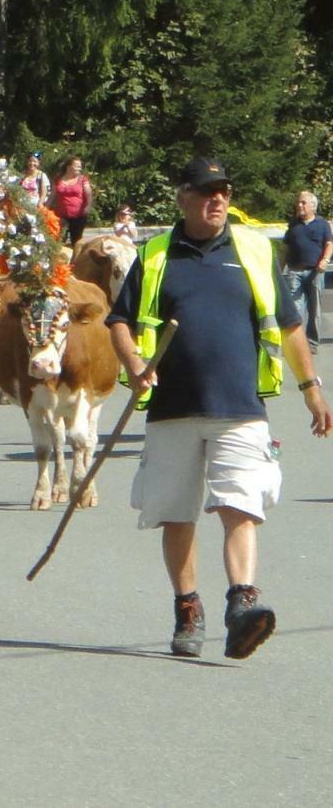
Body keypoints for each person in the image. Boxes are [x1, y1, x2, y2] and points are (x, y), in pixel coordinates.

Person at [107, 156, 332, 661]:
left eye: (224, 191)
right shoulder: (156, 254)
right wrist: (136, 361)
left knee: (241, 505)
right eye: (207, 192)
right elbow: (119, 320)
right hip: (172, 407)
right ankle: (188, 609)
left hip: (239, 406)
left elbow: (290, 324)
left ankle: (241, 604)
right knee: (176, 513)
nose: (218, 200)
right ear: (183, 197)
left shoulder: (253, 249)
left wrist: (311, 387)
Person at [281, 190, 332, 354]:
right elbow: (285, 248)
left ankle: (312, 343)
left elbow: (329, 244)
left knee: (314, 309)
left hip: (315, 272)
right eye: (299, 202)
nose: (299, 205)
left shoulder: (322, 224)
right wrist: (279, 270)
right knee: (295, 309)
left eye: (303, 202)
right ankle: (297, 343)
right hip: (294, 272)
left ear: (313, 206)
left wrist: (324, 260)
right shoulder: (293, 224)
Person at [51, 155, 93, 247]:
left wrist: (88, 206)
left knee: (77, 241)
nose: (80, 168)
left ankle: (76, 260)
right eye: (77, 165)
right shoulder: (58, 179)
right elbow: (52, 195)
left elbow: (88, 194)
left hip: (78, 216)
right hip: (61, 215)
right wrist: (45, 207)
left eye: (80, 166)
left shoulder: (83, 179)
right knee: (59, 239)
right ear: (69, 167)